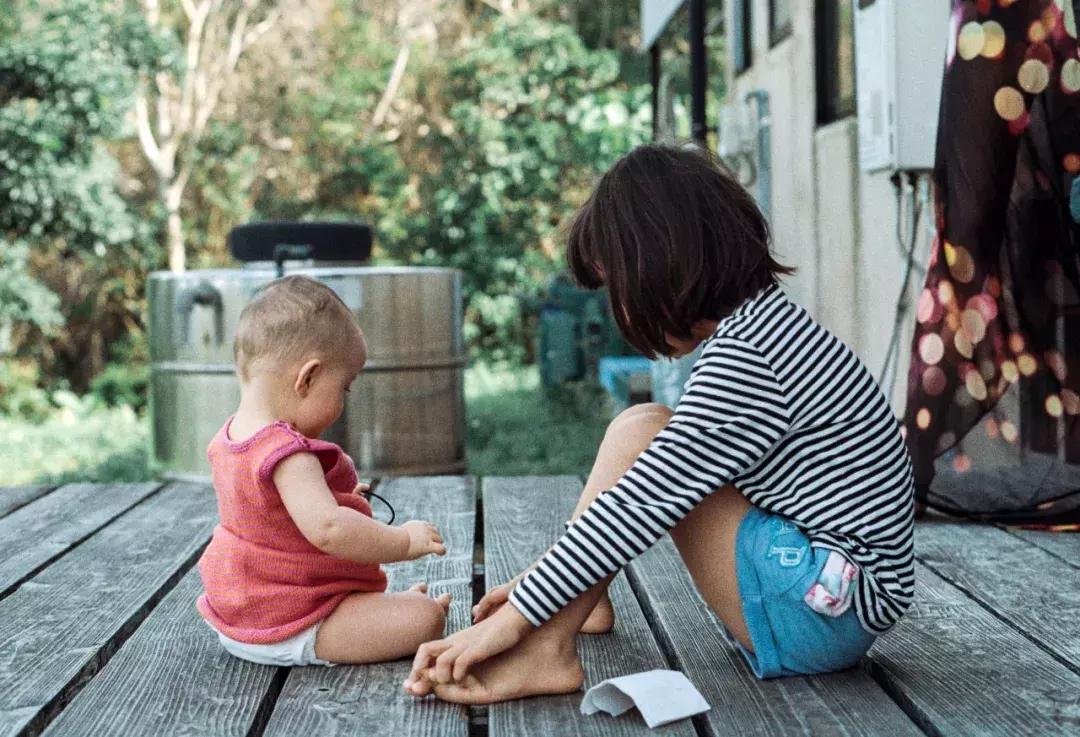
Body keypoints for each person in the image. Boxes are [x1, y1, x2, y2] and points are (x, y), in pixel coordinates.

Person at [404, 144, 915, 703]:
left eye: (616, 290)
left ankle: (548, 645)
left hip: (821, 614)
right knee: (641, 423)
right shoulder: (764, 329)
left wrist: (521, 616)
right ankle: (582, 601)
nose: (619, 313)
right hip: (828, 595)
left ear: (656, 268)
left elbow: (640, 504)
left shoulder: (749, 360)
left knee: (646, 441)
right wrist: (544, 583)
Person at [196, 275, 449, 667]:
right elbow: (330, 529)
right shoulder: (286, 452)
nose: (343, 402)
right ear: (307, 378)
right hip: (296, 619)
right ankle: (391, 616)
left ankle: (381, 614)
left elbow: (268, 517)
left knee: (399, 611)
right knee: (426, 618)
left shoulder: (228, 439)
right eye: (344, 388)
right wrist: (402, 541)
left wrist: (331, 495)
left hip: (237, 618)